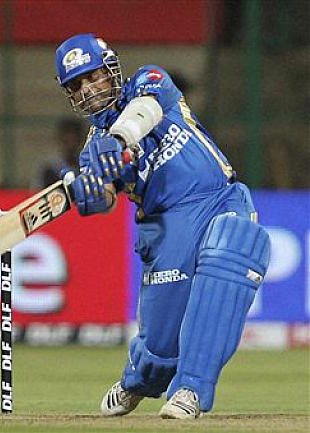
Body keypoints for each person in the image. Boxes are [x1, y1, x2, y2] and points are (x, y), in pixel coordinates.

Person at [55, 34, 270, 419]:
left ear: (111, 70)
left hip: (216, 198)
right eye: (76, 86)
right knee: (159, 348)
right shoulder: (92, 152)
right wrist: (90, 193)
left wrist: (119, 139)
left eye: (93, 77)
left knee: (232, 250)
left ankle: (192, 389)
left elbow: (145, 111)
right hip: (165, 229)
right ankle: (138, 381)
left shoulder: (147, 80)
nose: (87, 90)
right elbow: (105, 197)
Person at [32, 117, 87, 189]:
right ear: (60, 138)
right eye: (67, 140)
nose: (71, 143)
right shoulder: (50, 169)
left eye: (74, 139)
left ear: (81, 139)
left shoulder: (86, 166)